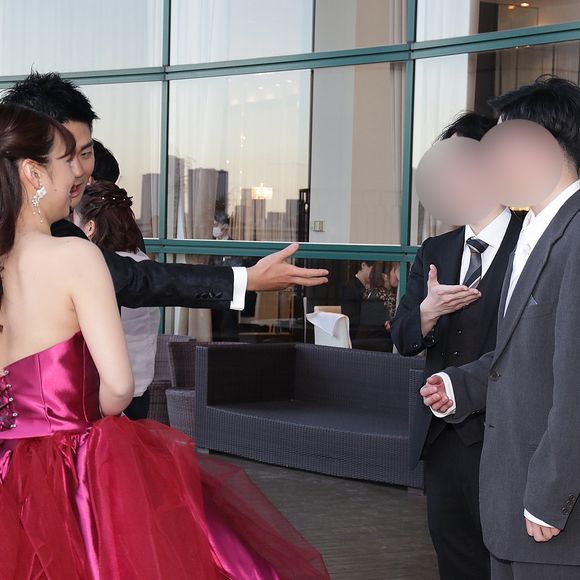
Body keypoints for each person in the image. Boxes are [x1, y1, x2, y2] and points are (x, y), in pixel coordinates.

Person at [0, 102, 330, 579]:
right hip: (71, 460)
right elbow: (118, 386)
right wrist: (76, 414)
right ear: (33, 172)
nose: (79, 172)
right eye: (68, 158)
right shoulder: (73, 255)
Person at [421, 77, 580, 579]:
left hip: (551, 516)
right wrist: (460, 385)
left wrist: (551, 495)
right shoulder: (536, 229)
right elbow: (526, 353)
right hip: (510, 503)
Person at [0, 72, 328, 311]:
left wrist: (247, 279)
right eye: (65, 157)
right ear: (28, 162)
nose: (79, 171)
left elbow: (139, 279)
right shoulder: (44, 234)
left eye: (85, 153)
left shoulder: (63, 233)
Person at [390, 111, 522, 580]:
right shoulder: (436, 250)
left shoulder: (533, 242)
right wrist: (428, 311)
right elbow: (403, 338)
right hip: (442, 437)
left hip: (505, 435)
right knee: (454, 559)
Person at [73, 180, 157, 419]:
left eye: (75, 223)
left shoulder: (101, 269)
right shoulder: (143, 263)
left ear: (90, 227)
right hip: (140, 387)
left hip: (105, 395)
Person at [357, 261, 399, 352]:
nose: (397, 274)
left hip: (362, 346)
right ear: (385, 276)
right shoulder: (388, 297)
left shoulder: (368, 293)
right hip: (381, 348)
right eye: (394, 270)